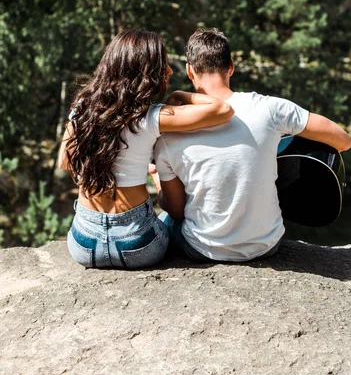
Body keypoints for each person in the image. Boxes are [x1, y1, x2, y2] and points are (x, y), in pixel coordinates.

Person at [154, 28, 351, 263]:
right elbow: (343, 141)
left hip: (202, 250)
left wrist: (157, 181)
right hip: (266, 245)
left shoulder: (169, 133)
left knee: (164, 221)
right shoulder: (271, 109)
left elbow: (177, 210)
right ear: (231, 66)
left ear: (189, 71)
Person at [58, 28, 234, 269]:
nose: (170, 71)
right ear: (144, 72)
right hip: (137, 245)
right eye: (163, 65)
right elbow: (222, 110)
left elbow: (65, 162)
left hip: (84, 244)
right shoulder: (151, 117)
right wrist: (181, 94)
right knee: (173, 221)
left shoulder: (82, 107)